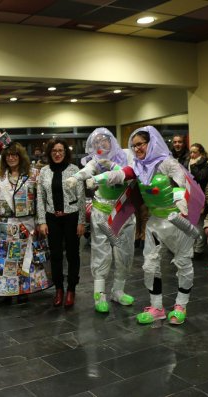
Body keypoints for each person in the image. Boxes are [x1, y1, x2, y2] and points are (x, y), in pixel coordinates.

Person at [88, 126, 199, 325]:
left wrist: (180, 208)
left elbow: (181, 185)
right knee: (150, 265)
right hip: (155, 222)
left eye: (141, 144)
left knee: (183, 264)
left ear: (151, 142)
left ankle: (181, 305)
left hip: (177, 221)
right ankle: (157, 307)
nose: (137, 148)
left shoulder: (167, 163)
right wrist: (95, 178)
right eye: (134, 145)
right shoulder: (139, 166)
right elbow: (120, 175)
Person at [67, 128, 135, 313]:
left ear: (111, 140)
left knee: (124, 253)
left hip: (124, 212)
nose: (100, 145)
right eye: (96, 143)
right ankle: (99, 295)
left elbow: (128, 173)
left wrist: (111, 166)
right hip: (102, 213)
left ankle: (118, 291)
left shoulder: (126, 156)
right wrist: (75, 177)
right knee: (100, 252)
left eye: (103, 141)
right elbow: (87, 170)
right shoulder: (95, 161)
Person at [0, 141, 52, 301]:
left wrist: (41, 221)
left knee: (24, 259)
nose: (11, 158)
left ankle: (24, 291)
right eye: (8, 155)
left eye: (14, 155)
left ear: (21, 156)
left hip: (27, 225)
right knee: (6, 260)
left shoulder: (34, 175)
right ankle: (6, 292)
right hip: (4, 226)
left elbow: (40, 200)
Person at [37, 138, 85, 308]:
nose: (57, 154)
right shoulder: (44, 171)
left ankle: (71, 289)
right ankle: (59, 289)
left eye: (61, 151)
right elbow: (40, 198)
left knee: (73, 255)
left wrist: (81, 222)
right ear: (50, 153)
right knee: (55, 255)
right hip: (52, 218)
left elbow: (81, 198)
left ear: (65, 153)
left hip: (71, 217)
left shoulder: (75, 170)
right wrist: (42, 221)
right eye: (54, 151)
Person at [188, 143, 208, 256]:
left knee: (200, 224)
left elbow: (200, 178)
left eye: (195, 152)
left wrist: (193, 166)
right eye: (191, 152)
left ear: (201, 154)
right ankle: (192, 247)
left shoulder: (206, 166)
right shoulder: (188, 163)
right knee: (191, 223)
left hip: (200, 198)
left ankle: (199, 249)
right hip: (190, 196)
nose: (192, 154)